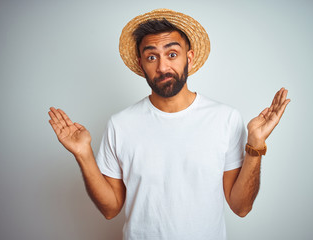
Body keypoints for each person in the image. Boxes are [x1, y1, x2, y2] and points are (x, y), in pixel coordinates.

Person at [48, 8, 290, 240]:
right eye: (152, 57)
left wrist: (256, 145)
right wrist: (83, 154)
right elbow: (110, 209)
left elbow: (241, 207)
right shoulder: (120, 125)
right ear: (142, 65)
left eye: (172, 54)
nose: (162, 66)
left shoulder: (225, 119)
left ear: (190, 58)